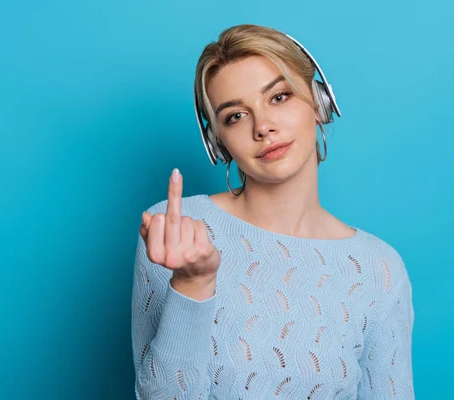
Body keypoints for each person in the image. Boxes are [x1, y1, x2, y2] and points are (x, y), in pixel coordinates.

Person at [131, 24, 415, 399]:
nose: (263, 126)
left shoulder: (379, 269)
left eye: (279, 97)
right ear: (220, 143)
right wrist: (192, 283)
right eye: (235, 116)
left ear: (319, 102)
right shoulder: (178, 231)